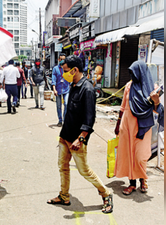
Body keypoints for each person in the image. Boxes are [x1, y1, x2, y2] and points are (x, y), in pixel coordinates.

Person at [46, 55, 113, 214]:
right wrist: (63, 136)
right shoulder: (73, 85)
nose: (64, 74)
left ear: (75, 70)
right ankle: (64, 196)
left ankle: (106, 194)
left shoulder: (87, 89)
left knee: (84, 171)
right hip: (65, 136)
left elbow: (90, 118)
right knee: (63, 167)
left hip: (77, 140)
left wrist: (81, 138)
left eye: (66, 71)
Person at [114, 60, 164, 195]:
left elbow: (157, 110)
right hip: (127, 124)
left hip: (143, 126)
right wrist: (118, 125)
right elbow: (123, 107)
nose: (132, 76)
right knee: (128, 154)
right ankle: (132, 183)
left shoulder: (152, 88)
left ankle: (143, 179)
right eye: (130, 73)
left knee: (140, 156)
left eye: (134, 73)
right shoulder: (129, 86)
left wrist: (156, 101)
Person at [52, 53, 70, 127]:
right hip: (58, 90)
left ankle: (65, 120)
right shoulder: (55, 69)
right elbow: (53, 80)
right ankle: (60, 120)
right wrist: (54, 89)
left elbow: (71, 78)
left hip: (66, 89)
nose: (62, 60)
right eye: (61, 59)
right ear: (58, 59)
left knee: (66, 104)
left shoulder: (68, 68)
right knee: (58, 106)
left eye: (64, 59)